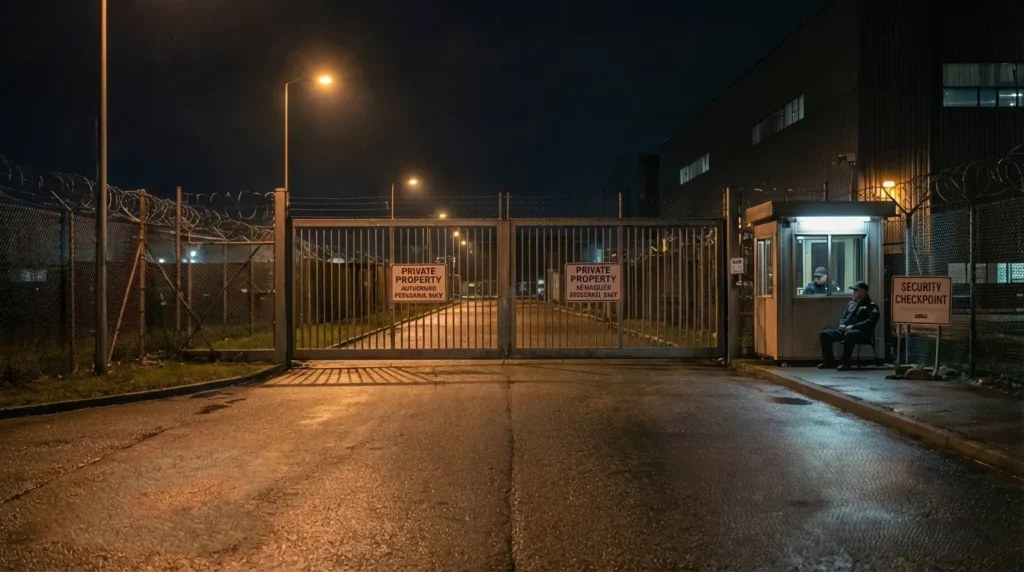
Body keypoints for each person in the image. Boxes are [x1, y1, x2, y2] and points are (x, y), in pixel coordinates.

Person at [819, 281, 879, 371]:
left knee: (850, 334)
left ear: (863, 292)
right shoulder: (851, 304)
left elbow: (870, 322)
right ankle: (829, 361)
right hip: (845, 329)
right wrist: (842, 324)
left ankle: (846, 362)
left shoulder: (871, 306)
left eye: (856, 290)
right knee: (825, 334)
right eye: (854, 291)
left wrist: (853, 327)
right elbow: (843, 316)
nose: (854, 293)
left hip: (861, 332)